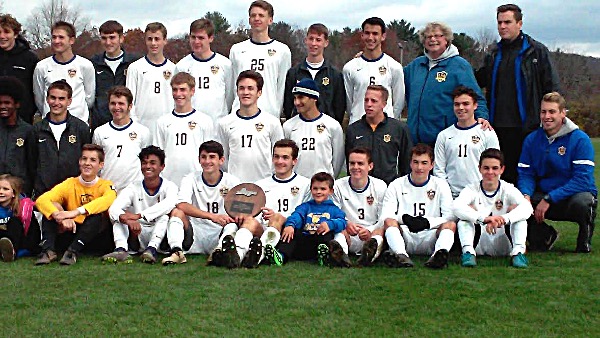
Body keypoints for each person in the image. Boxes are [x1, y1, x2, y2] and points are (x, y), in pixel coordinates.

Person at [476, 4, 560, 184]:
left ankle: (527, 210)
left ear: (519, 23)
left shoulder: (536, 51)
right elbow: (477, 81)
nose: (502, 27)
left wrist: (551, 118)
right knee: (500, 177)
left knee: (527, 174)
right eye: (499, 23)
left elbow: (551, 88)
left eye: (507, 22)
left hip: (527, 127)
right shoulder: (493, 53)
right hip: (496, 128)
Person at [518, 92, 597, 253]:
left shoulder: (580, 139)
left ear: (563, 113)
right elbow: (526, 173)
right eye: (543, 112)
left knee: (583, 202)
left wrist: (550, 198)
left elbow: (582, 180)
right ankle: (544, 236)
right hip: (544, 195)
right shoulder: (532, 139)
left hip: (571, 196)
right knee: (517, 200)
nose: (547, 116)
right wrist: (525, 195)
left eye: (552, 112)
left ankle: (584, 240)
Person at [404, 22, 488, 146]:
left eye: (438, 36)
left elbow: (475, 96)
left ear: (447, 40)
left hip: (444, 140)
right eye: (428, 36)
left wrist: (482, 116)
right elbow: (393, 79)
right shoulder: (415, 66)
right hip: (414, 141)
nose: (432, 39)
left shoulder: (459, 65)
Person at [35, 144, 117, 266]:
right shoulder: (70, 183)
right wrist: (60, 216)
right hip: (70, 230)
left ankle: (72, 252)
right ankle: (48, 251)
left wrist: (75, 212)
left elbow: (107, 201)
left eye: (93, 160)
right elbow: (41, 200)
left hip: (94, 237)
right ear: (79, 161)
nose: (87, 163)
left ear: (101, 165)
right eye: (84, 159)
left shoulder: (106, 185)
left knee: (97, 215)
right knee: (50, 210)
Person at [454, 148, 532, 268]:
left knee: (520, 217)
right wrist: (483, 219)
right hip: (479, 242)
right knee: (464, 219)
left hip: (504, 241)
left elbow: (527, 208)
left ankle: (518, 253)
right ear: (479, 168)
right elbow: (456, 207)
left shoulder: (508, 188)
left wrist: (504, 218)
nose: (490, 172)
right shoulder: (471, 189)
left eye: (495, 168)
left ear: (502, 169)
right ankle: (468, 253)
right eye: (486, 168)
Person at [381, 144, 455, 269]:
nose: (419, 167)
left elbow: (449, 216)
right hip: (405, 234)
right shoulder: (396, 184)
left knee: (451, 225)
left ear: (432, 165)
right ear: (410, 163)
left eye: (424, 163)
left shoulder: (441, 185)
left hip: (430, 235)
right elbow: (386, 214)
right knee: (389, 222)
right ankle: (401, 255)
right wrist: (405, 219)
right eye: (416, 162)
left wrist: (427, 222)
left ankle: (437, 257)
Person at [102, 146, 180, 265]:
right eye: (144, 163)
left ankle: (152, 250)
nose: (148, 166)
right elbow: (114, 208)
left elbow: (169, 204)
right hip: (137, 231)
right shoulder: (133, 187)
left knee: (164, 217)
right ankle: (121, 250)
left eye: (152, 163)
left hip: (160, 232)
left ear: (162, 167)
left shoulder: (170, 186)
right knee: (119, 218)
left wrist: (139, 216)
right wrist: (126, 219)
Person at [172, 141, 240, 261]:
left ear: (221, 160)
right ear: (199, 159)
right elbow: (182, 204)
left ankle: (219, 252)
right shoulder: (190, 178)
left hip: (219, 230)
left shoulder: (232, 181)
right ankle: (176, 252)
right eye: (203, 157)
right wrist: (212, 216)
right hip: (195, 232)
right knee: (177, 212)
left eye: (212, 157)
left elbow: (240, 209)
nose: (207, 161)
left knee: (232, 225)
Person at [217, 70, 283, 183]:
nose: (245, 92)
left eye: (250, 88)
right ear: (237, 91)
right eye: (241, 88)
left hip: (265, 185)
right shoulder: (224, 123)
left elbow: (280, 155)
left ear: (259, 92)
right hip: (235, 187)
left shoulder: (272, 122)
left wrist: (270, 181)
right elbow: (223, 158)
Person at [29, 81, 91, 198]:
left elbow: (86, 161)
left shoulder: (81, 128)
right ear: (47, 99)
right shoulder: (36, 130)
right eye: (53, 98)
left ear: (69, 101)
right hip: (45, 194)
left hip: (74, 192)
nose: (56, 103)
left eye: (61, 99)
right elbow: (31, 163)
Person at [434, 86, 499, 197]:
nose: (461, 107)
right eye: (457, 104)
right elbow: (439, 170)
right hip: (452, 197)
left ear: (475, 105)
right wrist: (446, 195)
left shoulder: (487, 132)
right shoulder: (444, 136)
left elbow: (495, 165)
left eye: (466, 104)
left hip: (480, 196)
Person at [229, 0, 291, 118]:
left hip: (269, 114)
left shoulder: (282, 50)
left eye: (261, 15)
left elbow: (282, 87)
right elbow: (232, 86)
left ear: (270, 20)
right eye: (253, 15)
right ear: (249, 20)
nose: (257, 18)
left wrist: (277, 112)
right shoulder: (237, 50)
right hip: (239, 113)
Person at [254, 139, 311, 266]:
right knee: (249, 222)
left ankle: (260, 254)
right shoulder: (260, 185)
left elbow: (308, 216)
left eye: (285, 157)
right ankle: (240, 253)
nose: (280, 161)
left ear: (294, 161)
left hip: (291, 235)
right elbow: (256, 216)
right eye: (277, 157)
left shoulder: (306, 185)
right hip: (263, 230)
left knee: (277, 217)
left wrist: (283, 219)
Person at [154, 72, 215, 186]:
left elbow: (210, 154)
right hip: (169, 181)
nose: (178, 94)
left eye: (182, 90)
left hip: (197, 182)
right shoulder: (162, 122)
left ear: (192, 91)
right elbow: (158, 155)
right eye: (175, 90)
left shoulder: (204, 120)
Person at [276, 172, 348, 266]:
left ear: (331, 191)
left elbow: (342, 222)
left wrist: (330, 224)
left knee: (327, 234)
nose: (318, 192)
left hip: (319, 243)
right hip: (304, 243)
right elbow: (297, 215)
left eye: (323, 189)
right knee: (291, 231)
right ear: (311, 189)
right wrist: (290, 225)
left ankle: (323, 256)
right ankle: (281, 256)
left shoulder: (334, 209)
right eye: (315, 188)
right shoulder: (306, 206)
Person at [331, 147, 387, 267]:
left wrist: (370, 231)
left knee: (381, 230)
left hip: (370, 233)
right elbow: (333, 212)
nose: (355, 167)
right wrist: (345, 223)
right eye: (352, 163)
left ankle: (369, 254)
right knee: (338, 228)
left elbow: (383, 217)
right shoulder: (338, 186)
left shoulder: (380, 186)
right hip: (348, 233)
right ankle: (341, 255)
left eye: (360, 163)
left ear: (370, 166)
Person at [345, 85, 412, 184]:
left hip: (389, 188)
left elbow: (406, 164)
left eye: (374, 101)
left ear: (384, 104)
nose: (369, 104)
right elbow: (349, 163)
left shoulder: (399, 129)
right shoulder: (353, 129)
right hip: (361, 188)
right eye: (366, 100)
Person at [343, 17, 404, 124]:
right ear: (362, 35)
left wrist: (389, 123)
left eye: (375, 33)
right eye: (367, 33)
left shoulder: (394, 67)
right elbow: (349, 103)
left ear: (383, 36)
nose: (370, 37)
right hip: (358, 128)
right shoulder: (349, 68)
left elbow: (398, 102)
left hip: (385, 130)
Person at [33, 21, 95, 124]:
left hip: (78, 126)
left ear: (71, 40)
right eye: (54, 37)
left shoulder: (85, 65)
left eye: (61, 37)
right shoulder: (41, 67)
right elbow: (40, 99)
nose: (56, 41)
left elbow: (89, 99)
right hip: (50, 126)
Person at [283, 23, 346, 124]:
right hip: (299, 127)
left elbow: (339, 107)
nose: (314, 43)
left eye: (318, 40)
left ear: (326, 43)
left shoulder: (335, 75)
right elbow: (288, 104)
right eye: (311, 39)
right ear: (306, 41)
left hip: (325, 129)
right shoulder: (294, 73)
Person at [92, 86, 151, 192]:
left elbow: (146, 162)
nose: (116, 107)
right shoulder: (99, 132)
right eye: (113, 103)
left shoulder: (142, 132)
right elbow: (96, 163)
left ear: (130, 106)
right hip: (107, 189)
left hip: (134, 191)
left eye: (121, 103)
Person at [282, 78, 344, 179]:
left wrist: (327, 180)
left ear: (314, 98)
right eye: (295, 98)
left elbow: (338, 160)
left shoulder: (332, 125)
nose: (297, 102)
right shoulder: (288, 126)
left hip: (322, 187)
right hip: (296, 187)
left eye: (301, 97)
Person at [174, 18, 233, 122]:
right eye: (193, 37)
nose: (196, 42)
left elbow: (229, 96)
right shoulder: (181, 66)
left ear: (210, 38)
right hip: (190, 126)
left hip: (217, 128)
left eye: (201, 38)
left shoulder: (225, 64)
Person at [90, 20, 139, 131]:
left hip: (127, 124)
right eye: (104, 38)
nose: (108, 42)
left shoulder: (134, 63)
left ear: (121, 38)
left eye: (112, 37)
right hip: (100, 123)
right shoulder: (93, 64)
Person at [126, 22, 175, 130]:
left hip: (167, 128)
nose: (153, 43)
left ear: (165, 40)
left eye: (157, 39)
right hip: (142, 126)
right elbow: (129, 100)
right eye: (150, 39)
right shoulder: (135, 68)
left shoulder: (174, 69)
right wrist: (134, 125)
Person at [0, 14, 39, 123]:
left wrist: (28, 111)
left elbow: (36, 90)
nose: (2, 36)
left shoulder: (30, 58)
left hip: (22, 119)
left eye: (6, 32)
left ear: (15, 34)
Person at [0, 77, 34, 195]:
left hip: (18, 192)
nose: (3, 106)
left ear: (17, 104)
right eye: (0, 103)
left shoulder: (28, 131)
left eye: (7, 103)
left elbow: (31, 164)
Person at [0, 174, 26, 262]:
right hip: (2, 239)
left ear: (14, 193)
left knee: (15, 222)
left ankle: (12, 253)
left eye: (5, 189)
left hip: (19, 241)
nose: (1, 191)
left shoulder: (23, 207)